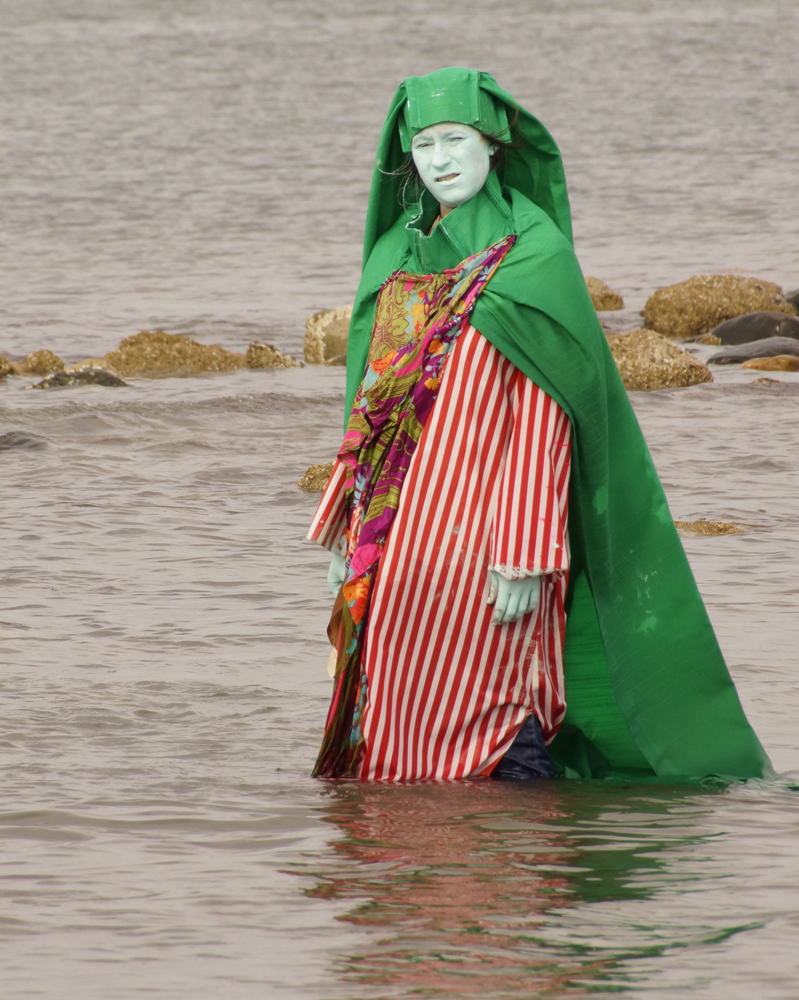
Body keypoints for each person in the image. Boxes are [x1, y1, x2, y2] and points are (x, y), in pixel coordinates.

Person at [308, 68, 772, 783]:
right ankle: (417, 876)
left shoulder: (534, 256)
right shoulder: (395, 258)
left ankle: (525, 867)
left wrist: (526, 551)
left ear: (493, 143)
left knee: (498, 706)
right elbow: (372, 405)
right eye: (425, 144)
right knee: (396, 706)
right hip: (397, 539)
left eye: (456, 139)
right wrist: (346, 522)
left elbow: (547, 415)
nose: (440, 159)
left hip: (490, 541)